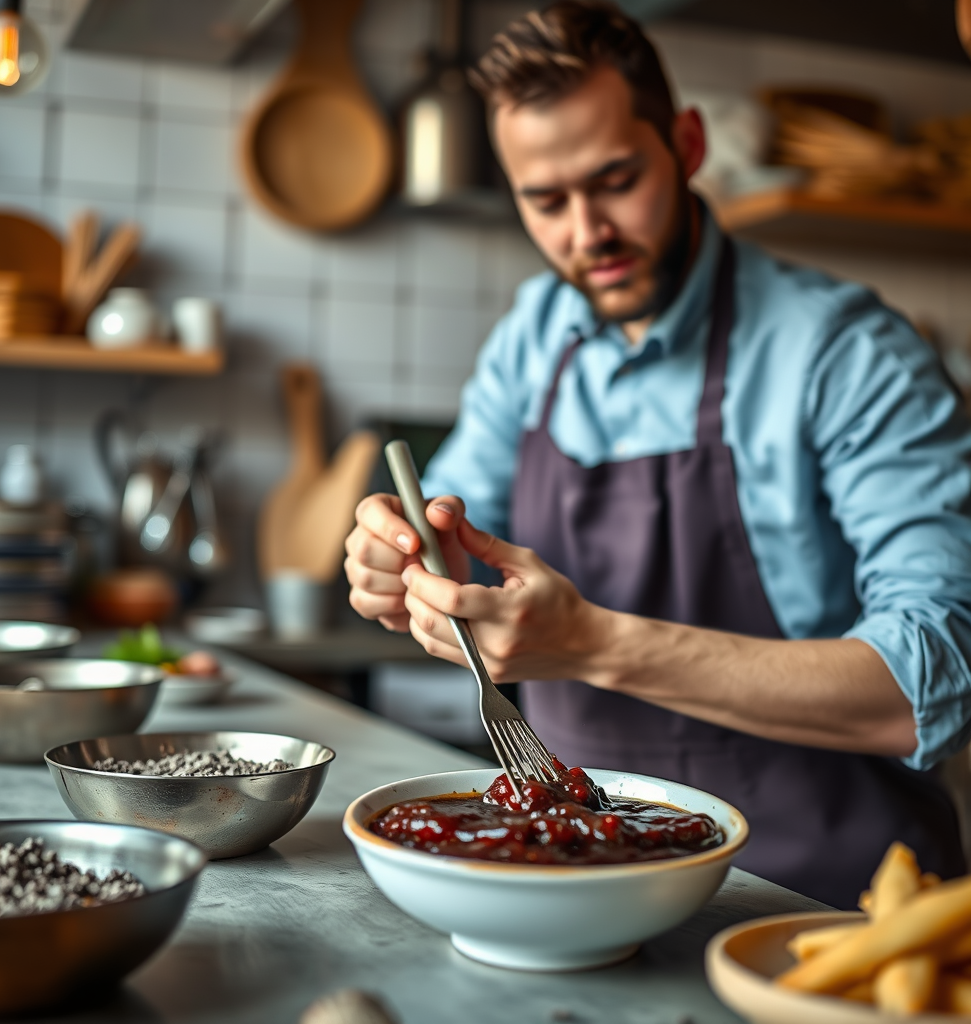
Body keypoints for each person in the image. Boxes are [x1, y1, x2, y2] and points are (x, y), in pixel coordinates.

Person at [344, 0, 971, 907]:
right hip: (586, 893)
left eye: (616, 180)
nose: (585, 232)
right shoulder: (535, 337)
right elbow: (451, 528)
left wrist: (595, 643)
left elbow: (931, 681)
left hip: (833, 909)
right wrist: (406, 567)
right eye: (545, 200)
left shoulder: (845, 352)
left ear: (685, 144)